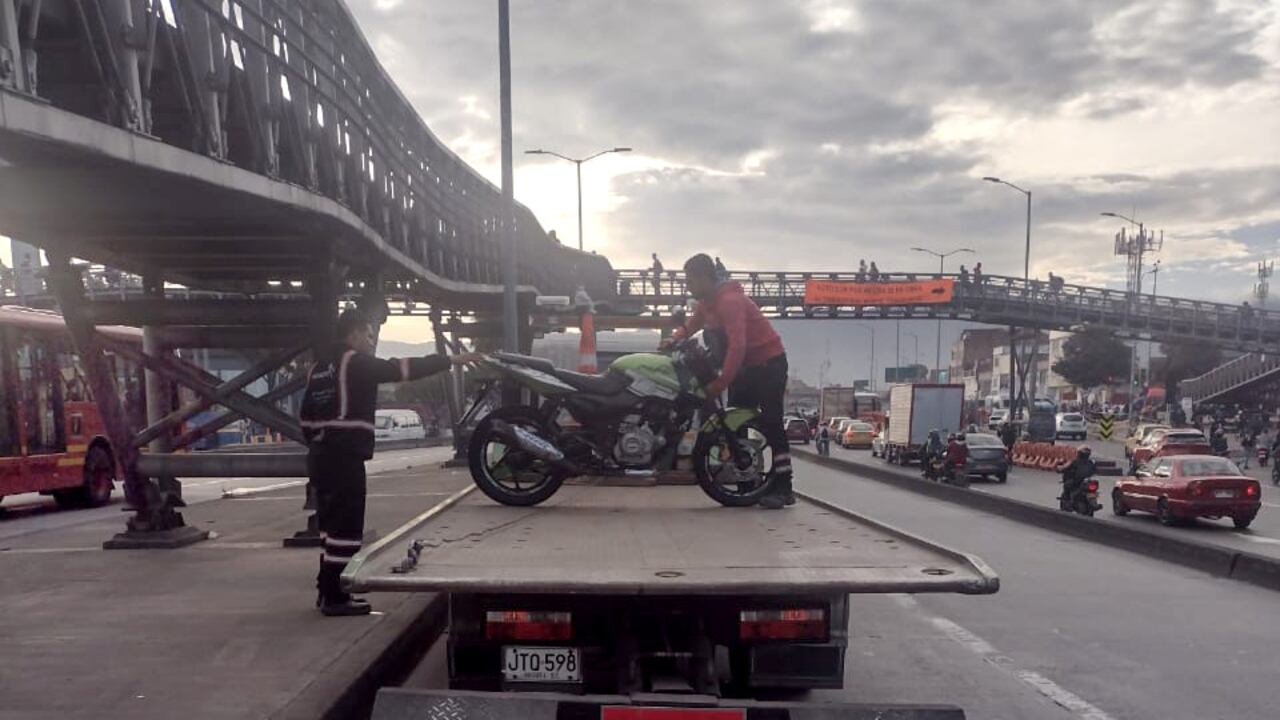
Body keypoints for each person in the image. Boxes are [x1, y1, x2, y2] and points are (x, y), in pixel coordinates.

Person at [300, 307, 479, 616]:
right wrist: (448, 360)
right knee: (346, 528)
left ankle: (325, 589)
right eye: (369, 335)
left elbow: (305, 416)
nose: (372, 342)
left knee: (330, 528)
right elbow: (399, 369)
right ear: (353, 333)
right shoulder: (353, 362)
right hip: (345, 456)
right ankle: (336, 598)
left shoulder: (318, 368)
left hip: (320, 455)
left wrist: (320, 439)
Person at [664, 253, 793, 508]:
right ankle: (748, 482)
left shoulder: (730, 302)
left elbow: (737, 346)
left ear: (705, 278)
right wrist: (674, 338)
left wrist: (720, 383)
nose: (687, 285)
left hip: (768, 364)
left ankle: (783, 487)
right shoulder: (707, 302)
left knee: (771, 422)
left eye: (690, 280)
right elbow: (692, 324)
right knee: (735, 423)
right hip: (746, 367)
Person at [1060, 446, 1096, 510]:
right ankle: (1068, 502)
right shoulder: (1091, 462)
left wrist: (1061, 469)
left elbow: (1066, 468)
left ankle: (1068, 501)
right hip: (1086, 481)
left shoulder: (1075, 462)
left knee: (1067, 485)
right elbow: (1094, 470)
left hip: (1078, 482)